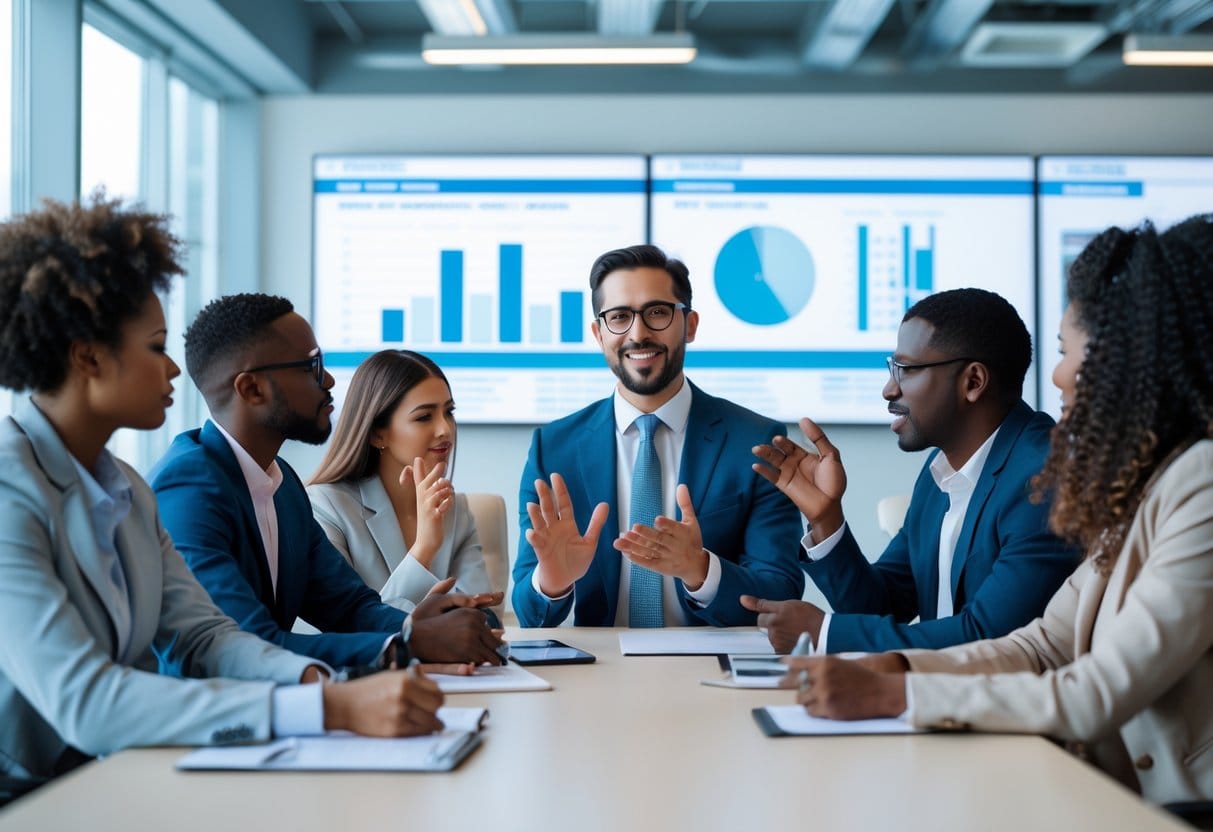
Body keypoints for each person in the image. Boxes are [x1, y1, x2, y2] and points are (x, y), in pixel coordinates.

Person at [0, 198, 444, 785]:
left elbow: (206, 635)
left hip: (108, 775)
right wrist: (325, 706)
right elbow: (87, 702)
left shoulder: (126, 489)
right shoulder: (11, 493)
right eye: (156, 348)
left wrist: (316, 685)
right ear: (88, 358)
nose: (174, 372)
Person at [784, 215, 1213, 806]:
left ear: (1129, 361)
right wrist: (896, 669)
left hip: (1162, 806)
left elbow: (1093, 692)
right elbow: (1039, 647)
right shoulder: (1135, 487)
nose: (1058, 374)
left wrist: (896, 694)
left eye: (1070, 352)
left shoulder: (1199, 482)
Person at [150, 293, 505, 670]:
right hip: (210, 722)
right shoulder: (188, 490)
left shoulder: (282, 483)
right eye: (311, 366)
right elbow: (248, 645)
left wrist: (418, 624)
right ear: (252, 389)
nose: (330, 379)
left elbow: (349, 607)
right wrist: (406, 644)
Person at [742, 288, 1078, 653]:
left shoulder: (1045, 479)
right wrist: (826, 518)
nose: (889, 389)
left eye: (906, 370)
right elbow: (882, 605)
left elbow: (991, 638)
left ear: (973, 382)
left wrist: (825, 634)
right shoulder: (941, 472)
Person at [511, 244, 804, 627]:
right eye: (619, 317)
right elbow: (529, 614)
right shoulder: (553, 449)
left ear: (690, 324)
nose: (638, 333)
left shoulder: (756, 441)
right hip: (599, 671)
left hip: (710, 671)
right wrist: (551, 581)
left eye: (658, 313)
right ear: (599, 335)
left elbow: (780, 592)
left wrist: (701, 570)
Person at [307, 350, 498, 620]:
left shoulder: (456, 509)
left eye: (449, 412)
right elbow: (351, 626)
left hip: (453, 661)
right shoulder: (325, 507)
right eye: (424, 417)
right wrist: (424, 549)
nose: (445, 429)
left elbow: (482, 614)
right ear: (377, 433)